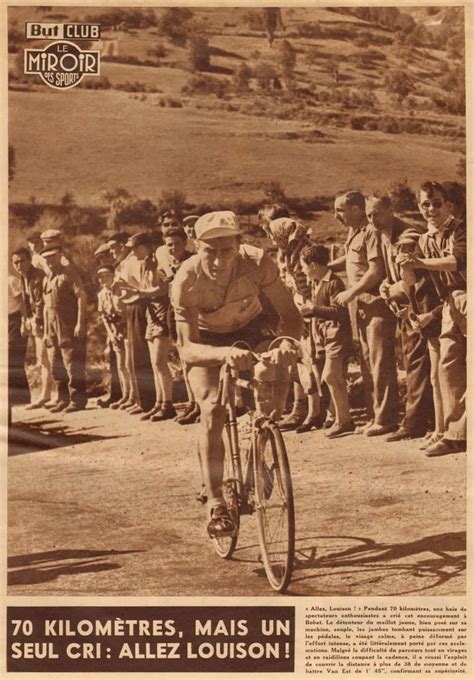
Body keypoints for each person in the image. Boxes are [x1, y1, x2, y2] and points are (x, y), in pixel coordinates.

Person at [171, 210, 303, 538]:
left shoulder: (258, 263)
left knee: (274, 374)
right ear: (196, 247)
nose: (217, 260)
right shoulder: (185, 279)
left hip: (252, 327)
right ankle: (215, 502)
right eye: (208, 251)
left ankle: (259, 452)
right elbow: (188, 348)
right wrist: (225, 354)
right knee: (212, 408)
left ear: (238, 245)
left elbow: (290, 315)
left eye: (225, 250)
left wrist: (287, 343)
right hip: (207, 342)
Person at [398, 181, 466, 456]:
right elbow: (415, 281)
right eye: (425, 204)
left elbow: (457, 261)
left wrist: (419, 262)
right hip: (451, 302)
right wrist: (405, 265)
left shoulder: (460, 228)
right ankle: (456, 434)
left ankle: (456, 434)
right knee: (447, 368)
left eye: (437, 203)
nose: (431, 209)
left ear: (448, 205)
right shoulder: (425, 239)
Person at [366, 194, 435, 442]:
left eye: (377, 213)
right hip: (407, 306)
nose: (373, 219)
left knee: (417, 360)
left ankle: (414, 422)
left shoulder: (407, 235)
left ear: (390, 209)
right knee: (411, 358)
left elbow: (413, 275)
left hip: (425, 304)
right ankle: (422, 419)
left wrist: (394, 288)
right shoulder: (383, 234)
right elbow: (392, 274)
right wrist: (386, 284)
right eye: (369, 215)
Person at [331, 191, 399, 436]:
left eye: (340, 209)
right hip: (361, 306)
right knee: (368, 362)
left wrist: (351, 292)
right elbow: (351, 260)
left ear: (356, 209)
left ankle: (386, 418)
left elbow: (376, 271)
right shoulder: (355, 232)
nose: (336, 215)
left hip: (375, 304)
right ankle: (374, 415)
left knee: (381, 363)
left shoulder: (369, 232)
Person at [266, 217, 323, 432]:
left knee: (309, 361)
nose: (270, 239)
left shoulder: (304, 254)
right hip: (298, 310)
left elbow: (310, 287)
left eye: (273, 234)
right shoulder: (290, 254)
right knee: (298, 360)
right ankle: (301, 410)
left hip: (309, 311)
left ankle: (314, 412)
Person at [299, 244, 354, 438]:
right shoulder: (318, 283)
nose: (303, 270)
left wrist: (313, 310)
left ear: (313, 265)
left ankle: (344, 420)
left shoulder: (334, 283)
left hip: (336, 334)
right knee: (331, 377)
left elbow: (339, 312)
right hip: (325, 335)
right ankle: (340, 417)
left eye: (304, 266)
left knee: (331, 375)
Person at [121, 232, 174, 421]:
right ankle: (160, 403)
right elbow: (143, 290)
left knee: (160, 361)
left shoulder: (159, 259)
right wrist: (132, 293)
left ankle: (167, 404)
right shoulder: (144, 264)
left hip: (161, 310)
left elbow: (164, 288)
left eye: (135, 248)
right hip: (151, 312)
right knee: (154, 363)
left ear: (145, 246)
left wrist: (140, 293)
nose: (133, 252)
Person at [156, 227, 199, 424]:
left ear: (185, 243)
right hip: (175, 311)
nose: (173, 248)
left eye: (177, 244)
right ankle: (192, 402)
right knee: (183, 357)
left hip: (193, 311)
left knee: (195, 358)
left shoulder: (193, 260)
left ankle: (200, 403)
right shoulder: (166, 264)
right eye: (169, 245)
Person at [41, 244, 87, 412]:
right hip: (52, 326)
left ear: (60, 255)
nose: (50, 261)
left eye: (52, 257)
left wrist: (80, 323)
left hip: (68, 324)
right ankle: (62, 398)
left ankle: (77, 400)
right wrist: (46, 331)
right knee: (55, 362)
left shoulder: (69, 274)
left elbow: (81, 296)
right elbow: (46, 308)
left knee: (72, 361)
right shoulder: (47, 278)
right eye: (46, 259)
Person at [11, 248, 52, 409]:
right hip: (34, 321)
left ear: (29, 260)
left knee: (44, 358)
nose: (19, 265)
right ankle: (46, 395)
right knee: (41, 358)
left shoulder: (37, 276)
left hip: (45, 320)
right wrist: (25, 319)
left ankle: (45, 396)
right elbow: (26, 301)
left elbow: (41, 301)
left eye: (22, 261)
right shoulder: (23, 278)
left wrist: (37, 319)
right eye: (16, 262)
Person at [97, 264, 131, 409]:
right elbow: (104, 316)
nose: (103, 279)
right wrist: (111, 333)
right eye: (100, 277)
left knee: (130, 364)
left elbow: (129, 311)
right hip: (114, 331)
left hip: (127, 328)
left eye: (106, 275)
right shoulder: (101, 294)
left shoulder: (122, 289)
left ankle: (133, 396)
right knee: (121, 365)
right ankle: (125, 395)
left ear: (113, 275)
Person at [8, 273, 29, 412]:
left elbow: (22, 302)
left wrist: (24, 321)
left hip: (15, 319)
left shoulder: (11, 280)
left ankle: (19, 397)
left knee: (12, 356)